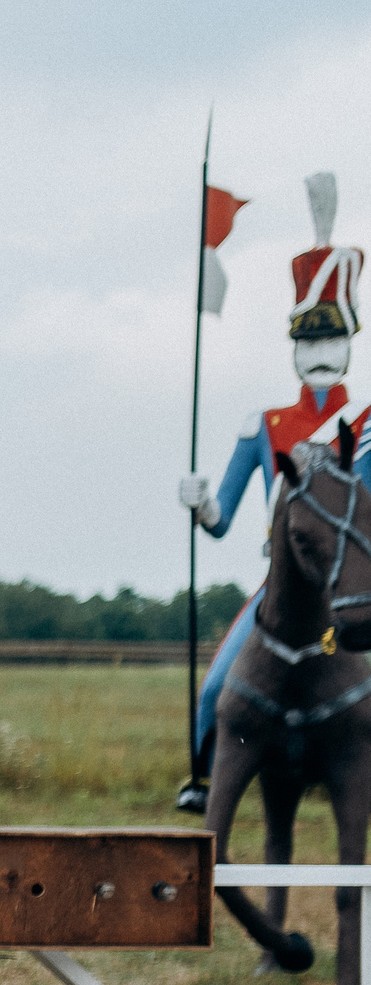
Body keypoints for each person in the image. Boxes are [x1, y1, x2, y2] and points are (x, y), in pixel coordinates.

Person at [176, 171, 363, 813]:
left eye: (331, 336)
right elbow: (223, 518)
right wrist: (200, 501)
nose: (320, 350)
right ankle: (203, 779)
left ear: (350, 341)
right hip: (281, 586)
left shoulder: (366, 426)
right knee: (216, 689)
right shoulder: (263, 426)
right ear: (293, 345)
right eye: (308, 338)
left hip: (356, 586)